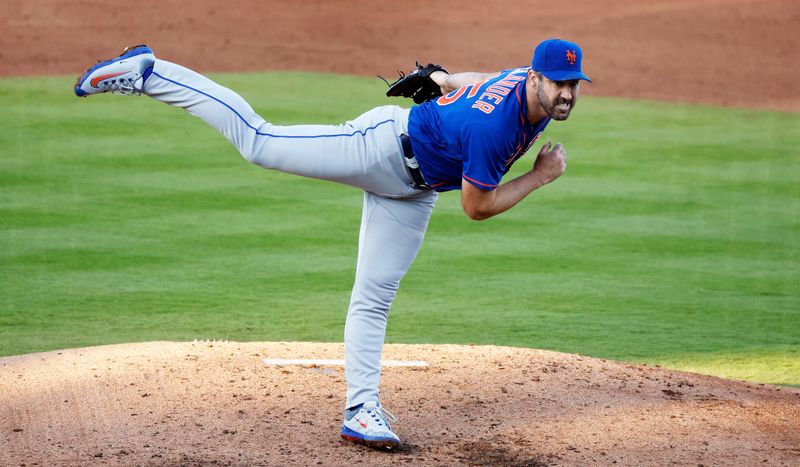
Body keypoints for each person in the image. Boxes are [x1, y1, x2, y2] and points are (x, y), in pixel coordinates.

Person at [73, 38, 590, 450]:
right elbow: (477, 207)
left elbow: (479, 80)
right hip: (380, 148)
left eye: (575, 85)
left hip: (413, 191)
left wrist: (442, 78)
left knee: (375, 296)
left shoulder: (528, 88)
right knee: (260, 141)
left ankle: (362, 412)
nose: (566, 95)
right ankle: (150, 72)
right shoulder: (494, 128)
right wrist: (541, 176)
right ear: (537, 77)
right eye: (559, 84)